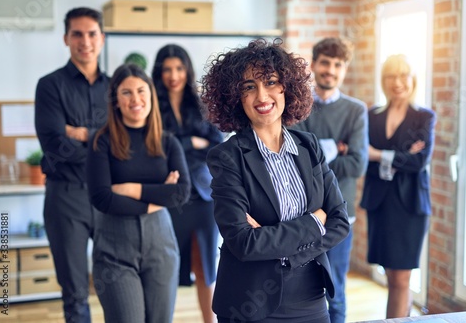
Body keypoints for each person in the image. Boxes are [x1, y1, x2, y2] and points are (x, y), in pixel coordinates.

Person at [200, 38, 350, 322]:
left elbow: (340, 222)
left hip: (310, 295)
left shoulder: (309, 146)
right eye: (248, 87)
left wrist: (283, 249)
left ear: (287, 87)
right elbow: (243, 242)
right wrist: (314, 222)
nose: (261, 96)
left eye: (270, 82)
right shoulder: (227, 157)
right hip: (250, 301)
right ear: (235, 98)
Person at [86, 63, 191, 323]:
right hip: (114, 251)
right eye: (126, 93)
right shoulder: (102, 141)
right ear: (115, 100)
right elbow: (102, 198)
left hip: (161, 248)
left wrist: (131, 189)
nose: (136, 99)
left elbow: (180, 193)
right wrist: (156, 198)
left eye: (141, 91)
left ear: (152, 96)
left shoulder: (168, 142)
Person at [34, 7, 108, 323]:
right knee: (76, 293)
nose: (85, 41)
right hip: (66, 197)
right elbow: (54, 147)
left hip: (109, 195)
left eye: (92, 33)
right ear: (66, 39)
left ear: (102, 39)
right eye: (77, 34)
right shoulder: (50, 86)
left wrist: (81, 133)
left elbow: (128, 142)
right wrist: (102, 142)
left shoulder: (118, 87)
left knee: (117, 284)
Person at [292, 37, 368, 323]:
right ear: (313, 64)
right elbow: (296, 161)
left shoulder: (355, 110)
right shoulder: (298, 105)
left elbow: (357, 164)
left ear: (344, 69)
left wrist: (317, 154)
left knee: (335, 293)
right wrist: (335, 147)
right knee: (298, 292)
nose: (331, 70)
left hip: (339, 217)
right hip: (299, 215)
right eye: (325, 62)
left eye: (338, 65)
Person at [360, 54, 436, 318]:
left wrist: (379, 154)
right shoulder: (372, 115)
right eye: (391, 75)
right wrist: (400, 157)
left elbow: (419, 162)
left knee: (401, 278)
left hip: (410, 205)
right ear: (384, 80)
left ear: (413, 79)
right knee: (392, 275)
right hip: (381, 203)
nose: (398, 82)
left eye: (404, 75)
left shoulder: (423, 117)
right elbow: (362, 158)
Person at [152, 44, 222, 323]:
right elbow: (156, 147)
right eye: (167, 69)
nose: (173, 75)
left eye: (179, 68)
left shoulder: (202, 102)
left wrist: (182, 144)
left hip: (204, 195)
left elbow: (217, 144)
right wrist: (192, 141)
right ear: (159, 72)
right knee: (167, 267)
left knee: (205, 265)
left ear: (187, 70)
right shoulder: (152, 104)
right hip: (170, 194)